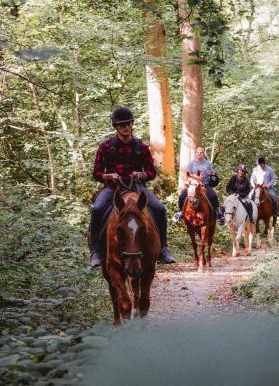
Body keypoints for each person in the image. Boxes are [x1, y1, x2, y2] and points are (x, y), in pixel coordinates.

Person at [88, 106, 176, 268]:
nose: (127, 127)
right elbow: (96, 173)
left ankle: (163, 247)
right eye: (122, 125)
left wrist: (141, 175)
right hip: (113, 189)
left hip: (136, 187)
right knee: (98, 209)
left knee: (159, 209)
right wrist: (109, 176)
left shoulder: (141, 147)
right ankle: (95, 251)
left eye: (129, 124)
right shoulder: (105, 147)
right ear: (116, 127)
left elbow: (151, 172)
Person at [173, 147, 224, 225]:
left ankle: (219, 213)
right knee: (182, 196)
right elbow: (188, 175)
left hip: (205, 184)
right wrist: (190, 183)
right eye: (198, 152)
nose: (199, 154)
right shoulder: (191, 164)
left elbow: (213, 174)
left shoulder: (208, 164)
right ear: (195, 154)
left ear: (203, 154)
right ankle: (180, 212)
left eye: (201, 153)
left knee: (213, 195)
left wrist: (211, 174)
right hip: (193, 185)